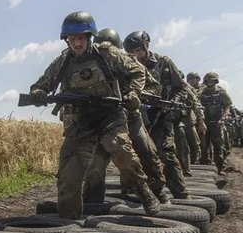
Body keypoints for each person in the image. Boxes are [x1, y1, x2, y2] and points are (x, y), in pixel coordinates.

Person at [28, 12, 160, 219]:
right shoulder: (62, 62)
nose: (77, 43)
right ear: (67, 40)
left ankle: (143, 191)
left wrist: (133, 93)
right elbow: (42, 84)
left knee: (124, 154)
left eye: (81, 38)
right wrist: (38, 93)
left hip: (109, 117)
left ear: (90, 37)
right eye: (72, 39)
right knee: (68, 177)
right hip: (80, 122)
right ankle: (67, 223)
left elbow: (137, 71)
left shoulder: (108, 54)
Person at [83, 28, 168, 204]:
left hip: (131, 117)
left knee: (146, 152)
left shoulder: (127, 61)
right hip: (104, 119)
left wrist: (135, 94)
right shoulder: (89, 64)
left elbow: (154, 87)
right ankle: (93, 202)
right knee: (95, 162)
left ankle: (157, 192)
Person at [123, 30, 190, 199]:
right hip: (139, 116)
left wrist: (174, 102)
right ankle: (136, 191)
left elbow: (182, 87)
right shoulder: (127, 66)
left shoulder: (164, 63)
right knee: (137, 154)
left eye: (138, 51)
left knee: (165, 152)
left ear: (146, 47)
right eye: (131, 53)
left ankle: (181, 194)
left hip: (162, 115)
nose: (135, 55)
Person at [198, 72, 234, 174]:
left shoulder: (221, 92)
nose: (210, 82)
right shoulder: (201, 93)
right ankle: (204, 167)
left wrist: (223, 119)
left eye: (212, 80)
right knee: (204, 146)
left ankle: (220, 167)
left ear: (215, 81)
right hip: (204, 124)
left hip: (217, 123)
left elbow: (227, 107)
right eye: (208, 80)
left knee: (218, 145)